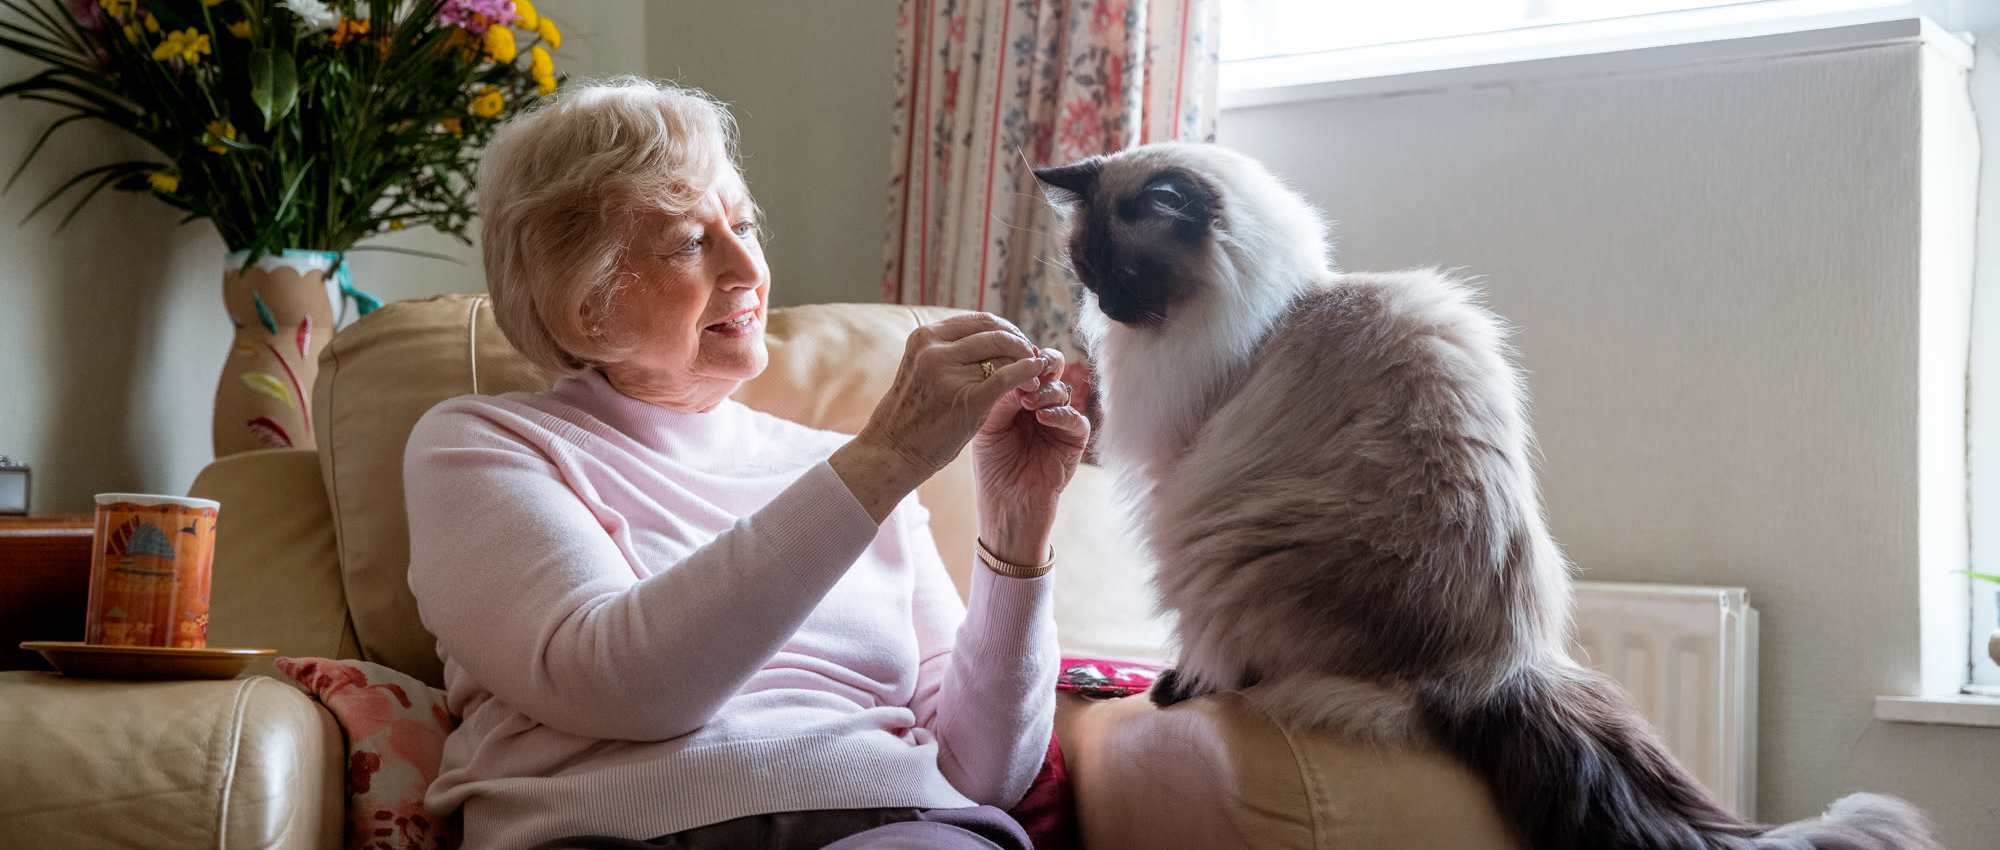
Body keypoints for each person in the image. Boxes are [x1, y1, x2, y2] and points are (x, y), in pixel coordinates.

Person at [402, 77, 1088, 850]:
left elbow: (984, 773)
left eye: (744, 225)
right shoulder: (483, 446)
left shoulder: (857, 475)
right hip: (615, 833)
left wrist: (1017, 528)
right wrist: (886, 459)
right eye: (691, 242)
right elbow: (625, 687)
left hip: (898, 825)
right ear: (582, 302)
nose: (747, 270)